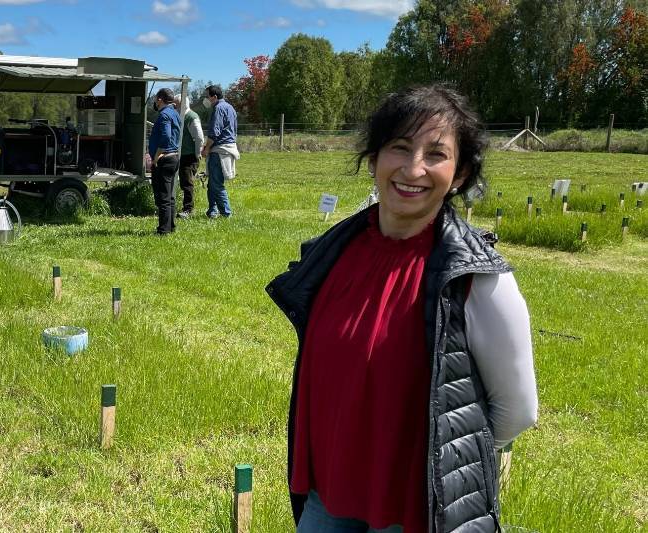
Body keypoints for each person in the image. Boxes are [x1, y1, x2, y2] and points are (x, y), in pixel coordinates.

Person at [266, 84, 538, 533]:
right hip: (327, 495)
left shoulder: (477, 277)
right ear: (374, 159)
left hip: (414, 508)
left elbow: (517, 408)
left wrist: (445, 467)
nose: (414, 168)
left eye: (436, 153)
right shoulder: (335, 252)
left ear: (462, 173)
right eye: (400, 147)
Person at [200, 85, 239, 219]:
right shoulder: (230, 108)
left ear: (214, 97)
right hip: (226, 148)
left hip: (219, 150)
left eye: (207, 96)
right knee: (212, 183)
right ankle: (212, 211)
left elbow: (214, 133)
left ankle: (226, 213)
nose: (206, 99)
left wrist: (206, 149)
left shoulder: (218, 109)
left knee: (216, 184)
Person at [148, 87, 181, 235]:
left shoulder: (164, 115)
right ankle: (171, 226)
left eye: (156, 98)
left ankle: (163, 230)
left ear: (160, 99)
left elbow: (166, 137)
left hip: (165, 158)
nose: (155, 101)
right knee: (170, 196)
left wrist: (156, 156)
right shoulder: (175, 113)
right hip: (174, 157)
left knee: (163, 197)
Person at [173, 95, 204, 218]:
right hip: (182, 154)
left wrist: (197, 154)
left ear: (181, 104)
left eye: (176, 104)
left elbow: (199, 137)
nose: (174, 106)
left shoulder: (191, 117)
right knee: (184, 182)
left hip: (189, 155)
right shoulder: (182, 116)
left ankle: (188, 209)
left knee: (187, 183)